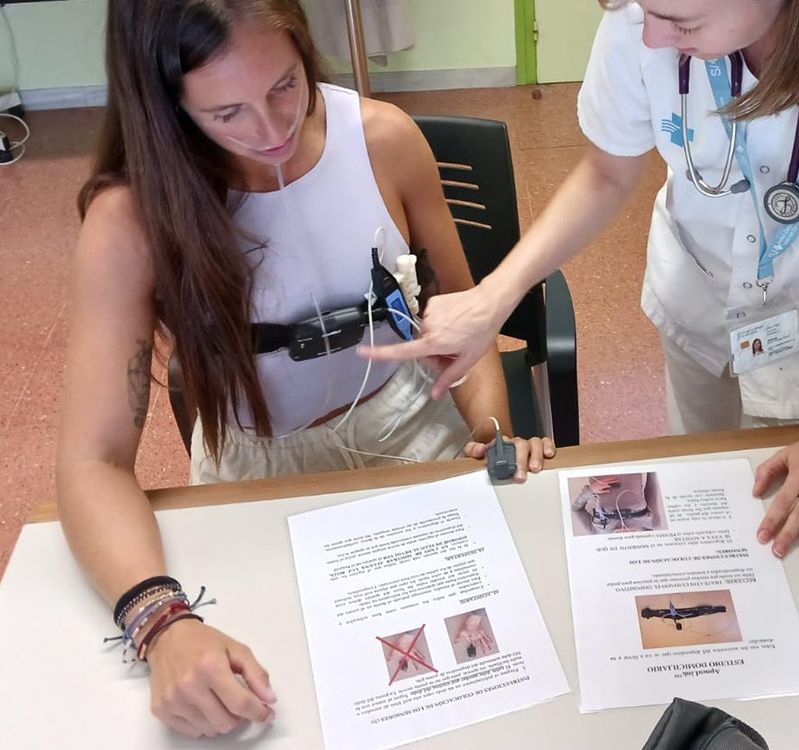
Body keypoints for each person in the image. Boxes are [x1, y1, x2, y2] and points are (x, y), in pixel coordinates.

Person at [363, 0, 799, 562]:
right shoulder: (649, 14)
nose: (649, 36)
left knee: (797, 531)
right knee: (706, 486)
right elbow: (607, 172)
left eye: (677, 19)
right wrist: (493, 296)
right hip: (702, 288)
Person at [55, 0, 552, 738]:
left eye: (286, 84)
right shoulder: (131, 220)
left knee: (488, 687)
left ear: (302, 45)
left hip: (416, 426)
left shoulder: (383, 139)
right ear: (165, 108)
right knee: (283, 708)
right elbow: (92, 462)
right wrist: (160, 621)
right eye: (228, 112)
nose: (273, 130)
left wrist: (488, 429)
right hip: (259, 467)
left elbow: (460, 317)